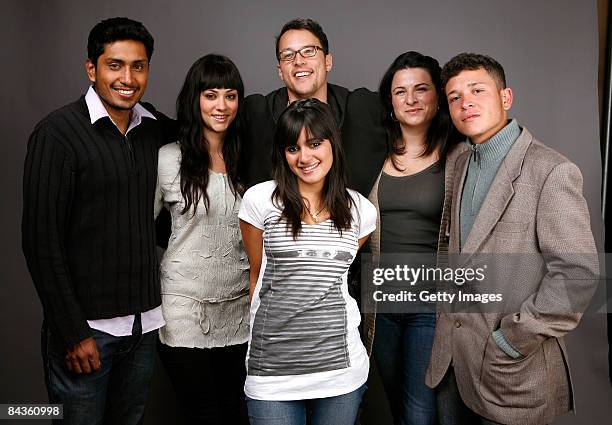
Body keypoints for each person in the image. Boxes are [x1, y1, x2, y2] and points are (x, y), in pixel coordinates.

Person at [425, 53, 599, 425]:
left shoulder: (552, 171)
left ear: (506, 98)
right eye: (454, 97)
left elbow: (579, 276)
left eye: (477, 90)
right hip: (451, 365)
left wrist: (512, 340)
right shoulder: (457, 159)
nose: (465, 102)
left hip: (510, 371)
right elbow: (452, 246)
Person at [22, 17, 165, 424]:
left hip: (143, 329)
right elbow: (39, 241)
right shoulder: (57, 134)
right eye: (115, 65)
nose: (127, 77)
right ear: (92, 69)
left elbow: (208, 136)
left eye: (138, 66)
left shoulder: (152, 128)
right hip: (86, 334)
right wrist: (71, 332)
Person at [238, 99, 376, 425]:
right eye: (293, 147)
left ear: (332, 144)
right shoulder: (260, 200)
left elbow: (336, 279)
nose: (305, 157)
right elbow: (257, 276)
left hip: (341, 370)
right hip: (272, 371)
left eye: (315, 144)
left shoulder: (361, 210)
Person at [364, 51, 458, 425]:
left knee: (419, 412)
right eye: (401, 92)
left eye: (422, 89)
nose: (412, 99)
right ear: (390, 101)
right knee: (395, 402)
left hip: (429, 304)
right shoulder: (372, 153)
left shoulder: (457, 155)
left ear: (437, 97)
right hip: (380, 302)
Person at [154, 54, 249, 424]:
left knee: (234, 410)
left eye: (230, 95)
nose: (221, 106)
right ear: (195, 99)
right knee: (203, 414)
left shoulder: (248, 157)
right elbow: (142, 226)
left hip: (240, 306)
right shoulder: (168, 158)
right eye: (211, 95)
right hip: (184, 307)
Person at [241, 18, 387, 196]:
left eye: (309, 51)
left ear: (328, 61)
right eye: (288, 55)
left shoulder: (363, 108)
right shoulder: (256, 114)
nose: (298, 61)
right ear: (280, 70)